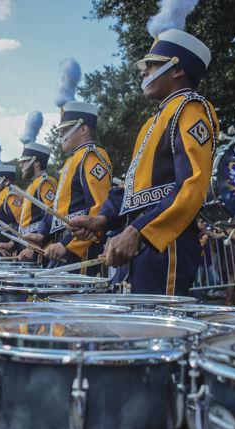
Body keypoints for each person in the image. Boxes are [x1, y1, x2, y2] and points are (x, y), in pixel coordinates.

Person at [69, 28, 218, 294]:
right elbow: (130, 190)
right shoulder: (151, 123)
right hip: (140, 240)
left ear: (176, 70)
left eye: (151, 66)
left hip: (166, 242)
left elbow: (191, 186)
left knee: (158, 328)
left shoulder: (190, 109)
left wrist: (139, 230)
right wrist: (102, 220)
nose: (143, 73)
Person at [35, 101, 112, 274]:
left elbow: (98, 208)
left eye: (64, 131)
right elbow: (58, 209)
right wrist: (42, 235)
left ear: (83, 129)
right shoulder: (72, 160)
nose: (60, 136)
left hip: (81, 251)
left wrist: (67, 244)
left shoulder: (91, 156)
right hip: (64, 246)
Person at [16, 116, 58, 262]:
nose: (20, 165)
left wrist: (35, 245)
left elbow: (53, 213)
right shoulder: (32, 185)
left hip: (41, 249)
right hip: (29, 247)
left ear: (35, 162)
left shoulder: (45, 182)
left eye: (23, 162)